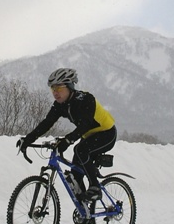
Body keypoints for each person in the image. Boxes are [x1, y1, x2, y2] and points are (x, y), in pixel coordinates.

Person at [17, 68, 117, 203]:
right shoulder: (60, 105)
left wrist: (67, 140)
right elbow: (47, 123)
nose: (55, 92)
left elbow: (85, 125)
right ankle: (85, 212)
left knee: (80, 150)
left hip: (106, 133)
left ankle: (95, 187)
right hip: (89, 136)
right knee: (75, 177)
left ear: (70, 86)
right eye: (52, 88)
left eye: (59, 88)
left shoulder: (86, 99)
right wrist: (28, 139)